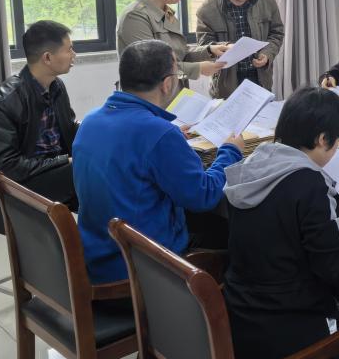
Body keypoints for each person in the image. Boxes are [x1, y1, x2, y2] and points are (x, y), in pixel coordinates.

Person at [222, 87, 339, 359]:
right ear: (322, 139)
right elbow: (338, 267)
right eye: (338, 142)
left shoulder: (251, 167)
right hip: (293, 340)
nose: (336, 149)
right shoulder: (309, 184)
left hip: (242, 326)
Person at [73, 40, 244, 283]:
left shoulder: (91, 120)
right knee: (243, 235)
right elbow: (203, 196)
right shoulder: (158, 133)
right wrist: (230, 151)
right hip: (141, 267)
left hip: (98, 255)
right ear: (167, 84)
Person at [0, 21, 79, 233]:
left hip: (49, 173)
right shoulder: (5, 101)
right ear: (47, 58)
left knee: (101, 163)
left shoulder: (56, 87)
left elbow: (68, 130)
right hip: (12, 188)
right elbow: (7, 168)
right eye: (69, 49)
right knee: (86, 171)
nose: (74, 55)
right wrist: (64, 161)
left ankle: (103, 238)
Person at [117, 0, 228, 85]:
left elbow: (180, 54)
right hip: (149, 94)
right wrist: (198, 69)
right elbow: (152, 67)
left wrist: (209, 50)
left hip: (173, 92)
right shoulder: (135, 17)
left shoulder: (167, 14)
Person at [196, 0, 285, 98]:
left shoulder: (268, 2)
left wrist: (267, 54)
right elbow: (204, 47)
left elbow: (277, 33)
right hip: (226, 85)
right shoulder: (206, 10)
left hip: (260, 80)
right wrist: (225, 47)